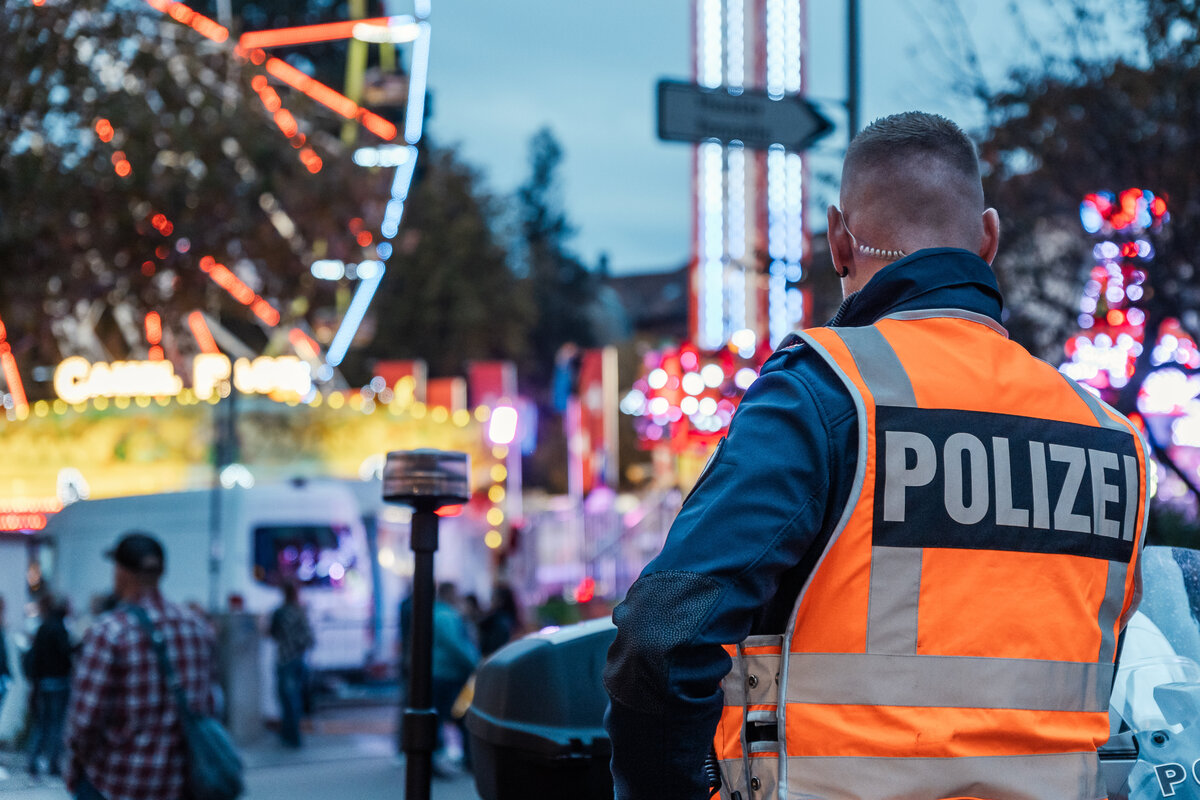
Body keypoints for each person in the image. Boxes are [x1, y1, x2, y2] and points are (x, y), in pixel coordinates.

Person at [603, 111, 1151, 800]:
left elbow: (661, 637)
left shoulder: (824, 393)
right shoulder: (1111, 436)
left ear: (839, 241)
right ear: (988, 238)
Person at [66, 532, 216, 800]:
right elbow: (207, 705)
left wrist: (76, 768)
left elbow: (85, 723)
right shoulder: (196, 628)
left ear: (121, 573)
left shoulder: (109, 632)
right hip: (179, 783)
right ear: (161, 573)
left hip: (118, 783)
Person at [431, 582, 479, 774]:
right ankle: (469, 759)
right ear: (449, 594)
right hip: (449, 674)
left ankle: (445, 757)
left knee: (442, 716)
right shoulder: (445, 615)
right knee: (460, 715)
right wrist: (475, 662)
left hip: (441, 672)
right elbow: (456, 645)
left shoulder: (437, 613)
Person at [26, 594, 73, 777]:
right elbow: (65, 652)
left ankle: (33, 760)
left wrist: (35, 683)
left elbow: (36, 657)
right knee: (56, 724)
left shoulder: (43, 628)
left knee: (42, 723)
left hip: (43, 682)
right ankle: (53, 763)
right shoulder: (59, 628)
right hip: (59, 681)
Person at [268, 581, 314, 748]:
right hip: (299, 660)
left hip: (284, 659)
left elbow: (272, 633)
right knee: (295, 699)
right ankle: (294, 736)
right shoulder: (301, 611)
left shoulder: (280, 612)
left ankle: (289, 737)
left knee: (286, 698)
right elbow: (309, 638)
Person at [477, 582, 523, 658]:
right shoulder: (508, 619)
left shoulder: (498, 621)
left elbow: (495, 646)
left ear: (501, 600)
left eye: (493, 598)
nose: (490, 602)